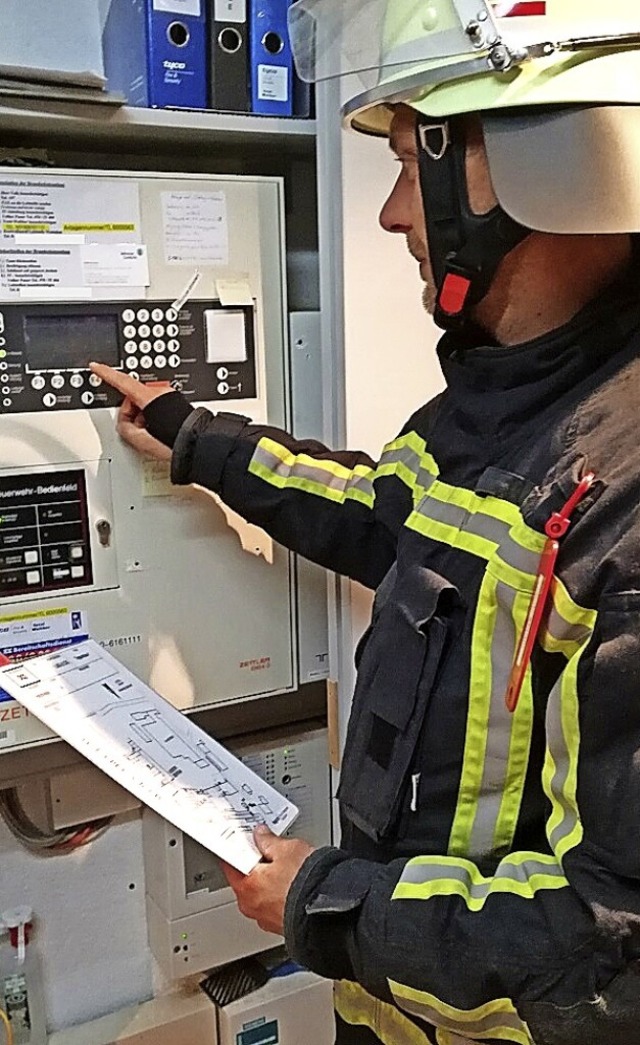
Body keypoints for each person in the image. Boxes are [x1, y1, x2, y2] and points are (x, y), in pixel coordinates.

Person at [91, 2, 640, 1042]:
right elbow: (377, 509)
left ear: (545, 163)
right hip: (388, 1010)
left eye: (404, 163)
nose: (390, 215)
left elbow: (612, 935)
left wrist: (325, 906)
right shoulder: (495, 404)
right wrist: (194, 436)